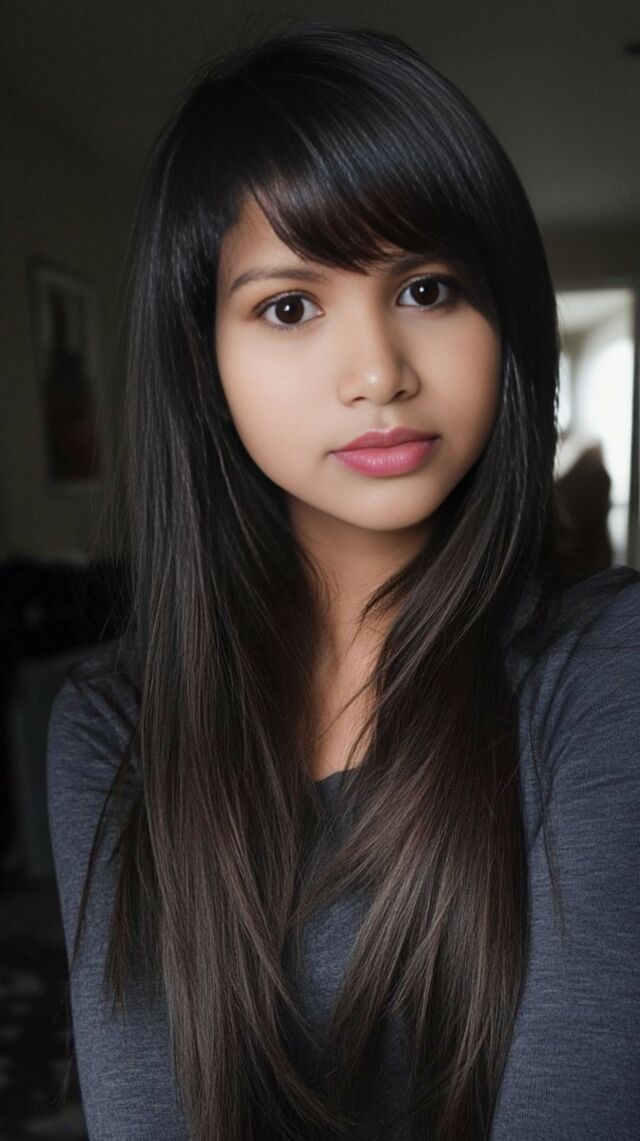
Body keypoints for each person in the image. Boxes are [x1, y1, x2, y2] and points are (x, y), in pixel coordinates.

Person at [46, 19, 640, 1141]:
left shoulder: (606, 664)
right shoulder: (112, 727)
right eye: (288, 306)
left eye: (427, 288)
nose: (376, 373)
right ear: (203, 361)